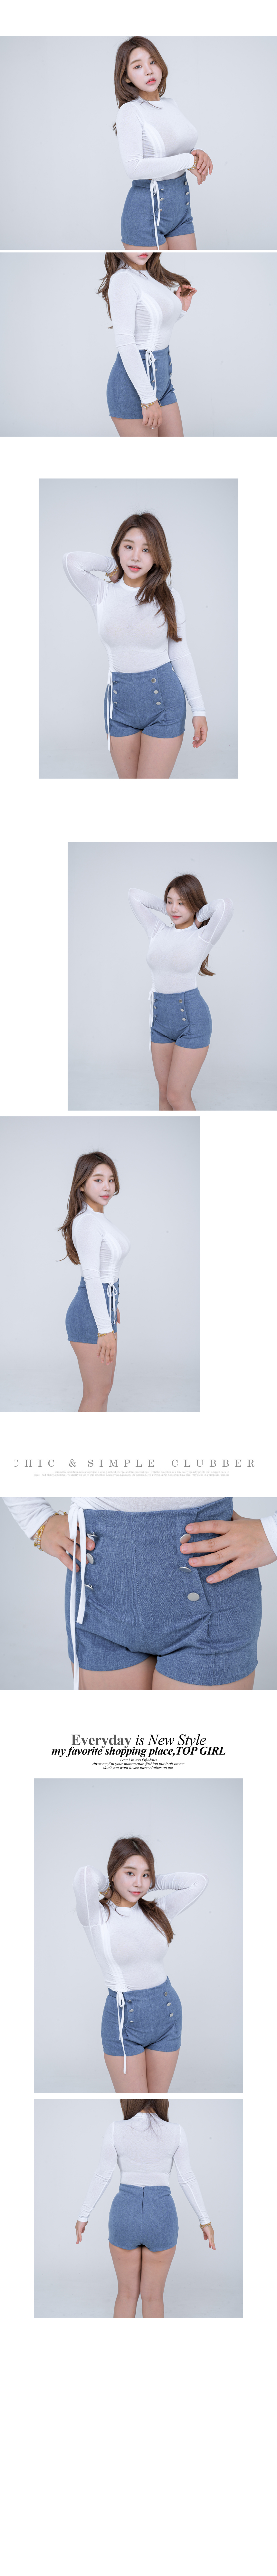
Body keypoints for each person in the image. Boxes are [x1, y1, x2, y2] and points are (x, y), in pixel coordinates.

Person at [4, 1500, 277, 1691]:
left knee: (195, 1756)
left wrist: (273, 1535)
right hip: (98, 1598)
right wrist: (35, 1519)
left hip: (210, 1598)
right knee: (116, 1755)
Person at [62, 510, 207, 781]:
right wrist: (112, 565)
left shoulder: (169, 598)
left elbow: (180, 653)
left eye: (147, 550)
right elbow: (72, 561)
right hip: (119, 705)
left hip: (165, 701)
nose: (136, 557)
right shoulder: (102, 593)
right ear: (118, 548)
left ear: (157, 556)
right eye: (129, 547)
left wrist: (199, 709)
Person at [72, 1835, 207, 2087]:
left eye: (146, 1875)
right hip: (125, 2018)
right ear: (113, 1874)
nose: (138, 1882)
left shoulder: (158, 1911)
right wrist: (111, 1888)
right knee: (136, 2107)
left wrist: (150, 1884)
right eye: (130, 1873)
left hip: (167, 2011)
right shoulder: (97, 1917)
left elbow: (199, 1882)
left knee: (157, 2104)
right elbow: (85, 1876)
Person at [75, 2097, 215, 2318]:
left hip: (125, 2215)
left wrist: (84, 2216)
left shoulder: (116, 2129)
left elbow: (103, 2175)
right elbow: (187, 2178)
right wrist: (205, 2221)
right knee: (154, 2297)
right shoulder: (176, 2132)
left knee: (126, 2295)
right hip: (162, 2216)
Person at [129, 873, 233, 1109]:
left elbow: (226, 906)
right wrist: (169, 909)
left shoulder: (203, 936)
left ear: (194, 904)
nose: (174, 909)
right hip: (160, 1020)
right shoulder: (157, 930)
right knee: (164, 1093)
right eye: (170, 901)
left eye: (182, 903)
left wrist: (198, 916)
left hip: (192, 1019)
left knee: (177, 1096)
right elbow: (134, 895)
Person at [113, 38, 212, 254]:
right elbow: (134, 168)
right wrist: (188, 160)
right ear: (126, 77)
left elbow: (176, 150)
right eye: (138, 67)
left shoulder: (170, 104)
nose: (149, 71)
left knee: (185, 267)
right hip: (146, 213)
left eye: (153, 62)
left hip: (181, 209)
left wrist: (196, 155)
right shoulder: (130, 111)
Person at [99, 248, 196, 437]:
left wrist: (181, 310)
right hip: (135, 384)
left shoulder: (150, 277)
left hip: (163, 378)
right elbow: (126, 342)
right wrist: (148, 399)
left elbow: (153, 330)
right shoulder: (123, 279)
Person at [60, 1151, 129, 1414]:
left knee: (103, 1391)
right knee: (96, 1393)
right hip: (91, 1314)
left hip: (102, 1307)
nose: (107, 1187)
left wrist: (112, 1303)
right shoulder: (88, 1221)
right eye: (98, 1180)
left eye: (111, 1180)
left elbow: (106, 1272)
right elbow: (92, 1277)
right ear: (82, 1185)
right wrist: (104, 1329)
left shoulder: (99, 1219)